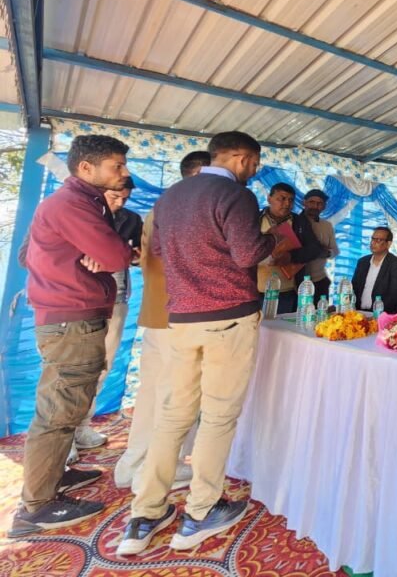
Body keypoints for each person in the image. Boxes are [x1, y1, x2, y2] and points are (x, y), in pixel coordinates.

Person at [118, 132, 277, 556]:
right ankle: (202, 511)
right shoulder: (235, 195)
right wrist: (272, 238)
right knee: (218, 417)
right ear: (241, 158)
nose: (255, 171)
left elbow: (160, 251)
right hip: (228, 318)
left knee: (173, 417)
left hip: (181, 320)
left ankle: (145, 513)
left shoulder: (171, 196)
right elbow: (248, 254)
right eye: (255, 163)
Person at [9, 135, 132, 538]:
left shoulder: (79, 203)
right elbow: (116, 256)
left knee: (65, 407)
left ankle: (53, 476)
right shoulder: (72, 204)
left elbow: (104, 255)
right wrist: (106, 253)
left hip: (69, 318)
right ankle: (37, 506)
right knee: (58, 413)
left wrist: (91, 254)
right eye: (116, 166)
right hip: (71, 320)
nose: (124, 173)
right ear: (86, 167)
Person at [113, 151, 210, 492]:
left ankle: (133, 464)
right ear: (199, 174)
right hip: (181, 315)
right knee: (177, 394)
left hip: (158, 312)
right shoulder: (190, 209)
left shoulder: (162, 206)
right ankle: (156, 472)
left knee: (152, 392)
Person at [74, 177, 145, 451]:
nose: (120, 203)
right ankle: (62, 439)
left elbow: (138, 256)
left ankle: (82, 427)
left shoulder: (131, 219)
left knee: (102, 367)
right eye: (115, 197)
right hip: (80, 303)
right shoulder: (80, 216)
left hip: (116, 301)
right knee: (73, 370)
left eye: (125, 198)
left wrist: (133, 256)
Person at [257, 182, 324, 313]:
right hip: (256, 290)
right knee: (256, 325)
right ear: (269, 198)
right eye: (282, 199)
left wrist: (291, 256)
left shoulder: (299, 221)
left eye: (291, 200)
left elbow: (315, 249)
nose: (287, 204)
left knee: (282, 325)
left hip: (286, 292)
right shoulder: (255, 219)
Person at [352, 227, 397, 313]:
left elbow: (395, 295)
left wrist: (378, 314)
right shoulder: (362, 262)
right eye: (372, 239)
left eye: (378, 240)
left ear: (388, 244)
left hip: (382, 314)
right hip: (358, 312)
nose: (373, 243)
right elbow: (354, 288)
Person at [301, 189, 339, 304]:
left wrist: (326, 253)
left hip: (320, 279)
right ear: (304, 202)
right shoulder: (295, 222)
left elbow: (335, 251)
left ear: (324, 207)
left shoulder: (327, 225)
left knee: (320, 313)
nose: (315, 206)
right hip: (297, 282)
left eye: (319, 203)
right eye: (311, 202)